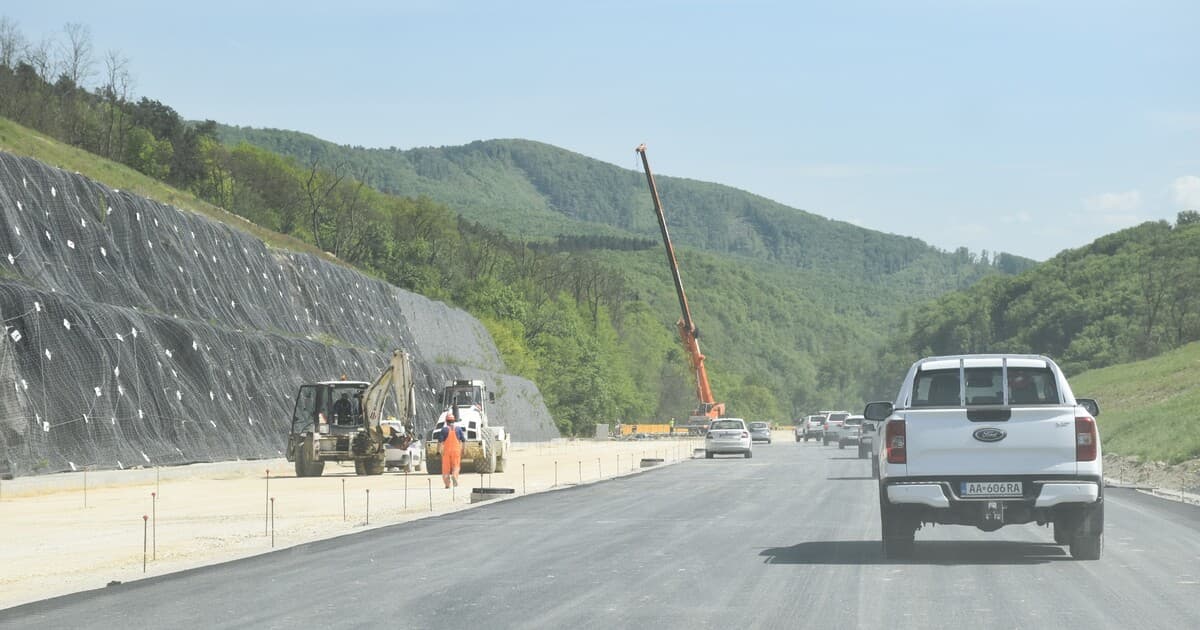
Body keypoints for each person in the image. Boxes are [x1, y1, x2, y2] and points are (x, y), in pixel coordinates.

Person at [437, 413, 466, 489]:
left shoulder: (444, 430)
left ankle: (447, 484)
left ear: (446, 421)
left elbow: (440, 441)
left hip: (446, 452)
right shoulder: (458, 429)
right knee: (456, 466)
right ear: (454, 420)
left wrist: (438, 451)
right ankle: (454, 476)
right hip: (456, 451)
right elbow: (463, 440)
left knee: (445, 469)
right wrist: (463, 450)